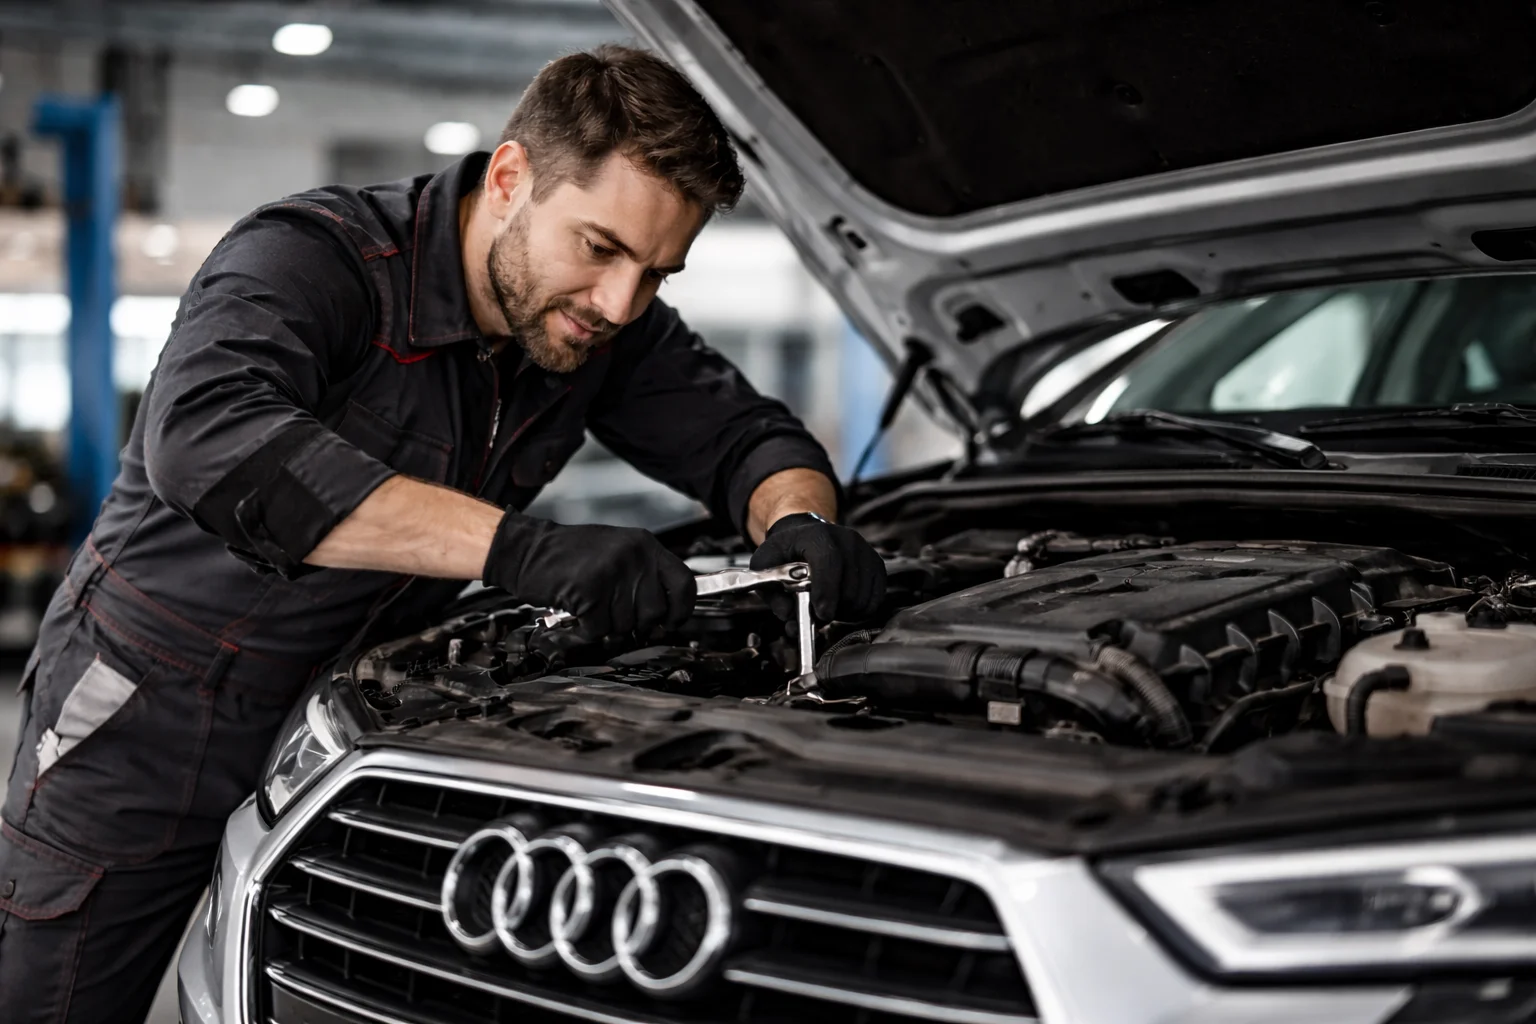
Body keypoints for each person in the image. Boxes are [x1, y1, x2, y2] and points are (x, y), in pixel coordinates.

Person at [0, 44, 885, 1021]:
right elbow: (212, 440)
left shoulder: (600, 326)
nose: (619, 304)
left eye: (656, 271)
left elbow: (747, 438)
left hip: (349, 724)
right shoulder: (316, 258)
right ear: (511, 178)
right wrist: (523, 551)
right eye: (599, 248)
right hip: (147, 716)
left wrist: (798, 519)